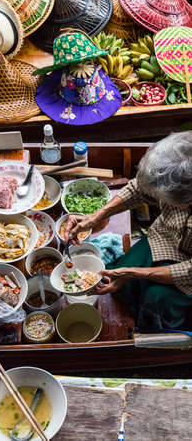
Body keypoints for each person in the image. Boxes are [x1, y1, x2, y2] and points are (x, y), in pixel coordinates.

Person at [65, 131, 192, 329]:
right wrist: (95, 216)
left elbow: (189, 272)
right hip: (166, 237)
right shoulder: (181, 156)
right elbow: (139, 189)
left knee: (157, 298)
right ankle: (132, 304)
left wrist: (135, 273)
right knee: (118, 272)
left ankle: (156, 332)